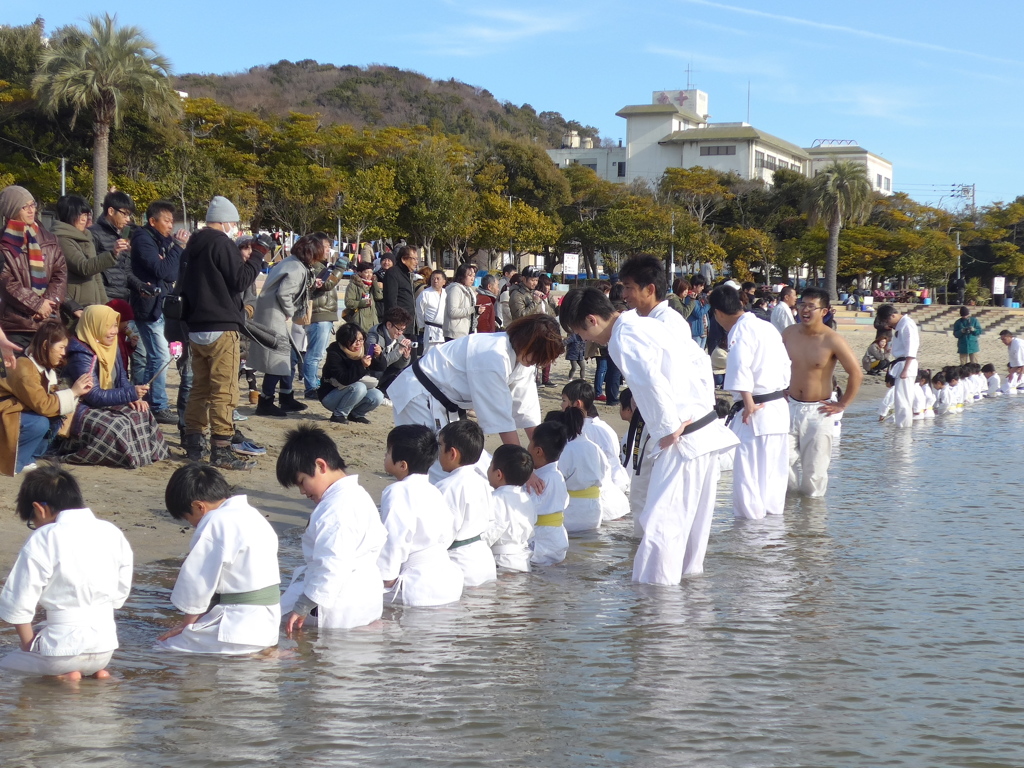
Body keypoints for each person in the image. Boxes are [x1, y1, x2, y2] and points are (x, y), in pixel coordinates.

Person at [559, 287, 737, 584]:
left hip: (682, 437)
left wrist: (669, 428)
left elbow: (651, 383)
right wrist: (701, 406)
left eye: (580, 332)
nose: (585, 340)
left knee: (662, 527)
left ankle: (657, 611)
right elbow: (699, 359)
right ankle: (687, 597)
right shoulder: (647, 322)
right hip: (703, 427)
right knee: (691, 527)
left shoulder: (623, 337)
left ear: (591, 320)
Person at [0, 466, 133, 680]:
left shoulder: (46, 536)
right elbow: (119, 595)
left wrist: (29, 647)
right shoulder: (112, 532)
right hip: (105, 646)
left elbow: (18, 602)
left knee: (7, 666)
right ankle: (97, 674)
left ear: (39, 509)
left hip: (61, 651)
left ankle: (64, 678)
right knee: (72, 652)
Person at [388, 314, 563, 454]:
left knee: (462, 463)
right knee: (433, 463)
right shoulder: (493, 354)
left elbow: (526, 411)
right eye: (538, 356)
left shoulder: (523, 358)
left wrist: (544, 456)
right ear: (528, 343)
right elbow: (501, 417)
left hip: (446, 402)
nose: (536, 362)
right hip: (419, 394)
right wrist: (521, 463)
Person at [180, 197, 267, 470]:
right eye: (234, 222)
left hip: (196, 327)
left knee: (199, 388)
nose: (234, 227)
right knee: (224, 391)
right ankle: (221, 449)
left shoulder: (192, 245)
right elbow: (241, 280)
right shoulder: (221, 243)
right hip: (221, 325)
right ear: (226, 220)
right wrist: (259, 254)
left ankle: (194, 442)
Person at [157, 463, 281, 654]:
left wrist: (187, 628)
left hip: (238, 630)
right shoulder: (253, 516)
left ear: (199, 506)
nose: (193, 526)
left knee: (163, 648)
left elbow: (197, 583)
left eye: (190, 520)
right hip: (269, 627)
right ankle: (265, 652)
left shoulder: (214, 521)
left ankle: (255, 652)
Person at [276, 424, 387, 633]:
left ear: (320, 466)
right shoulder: (357, 494)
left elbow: (332, 564)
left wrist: (303, 606)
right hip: (365, 600)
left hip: (339, 607)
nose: (302, 492)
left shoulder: (336, 509)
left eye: (302, 482)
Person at [709, 284, 791, 519]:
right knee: (774, 478)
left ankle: (750, 539)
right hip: (777, 407)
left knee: (749, 480)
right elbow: (786, 365)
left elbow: (740, 367)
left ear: (718, 313)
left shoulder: (740, 331)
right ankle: (772, 534)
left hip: (755, 410)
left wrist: (748, 402)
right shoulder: (767, 327)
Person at [62, 304, 169, 468]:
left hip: (106, 401)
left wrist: (133, 396)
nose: (113, 331)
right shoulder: (81, 354)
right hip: (81, 407)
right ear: (94, 325)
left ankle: (148, 456)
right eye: (108, 326)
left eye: (114, 325)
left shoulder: (111, 346)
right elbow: (93, 395)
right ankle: (128, 458)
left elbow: (121, 380)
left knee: (140, 412)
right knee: (118, 425)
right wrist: (129, 394)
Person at [781, 287, 863, 498]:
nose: (805, 310)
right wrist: (778, 389)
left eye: (811, 306)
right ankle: (786, 517)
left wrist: (842, 404)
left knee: (814, 472)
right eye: (802, 304)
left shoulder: (832, 339)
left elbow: (856, 373)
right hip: (789, 406)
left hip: (819, 409)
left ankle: (811, 525)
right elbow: (775, 364)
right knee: (780, 462)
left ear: (824, 311)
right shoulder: (789, 333)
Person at [378, 425, 464, 606]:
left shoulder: (397, 491)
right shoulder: (434, 490)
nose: (385, 456)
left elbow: (394, 538)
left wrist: (387, 578)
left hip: (419, 584)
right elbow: (448, 533)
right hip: (448, 580)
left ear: (402, 465)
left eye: (388, 452)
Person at [0, 320, 93, 475]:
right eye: (61, 347)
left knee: (56, 419)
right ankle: (13, 462)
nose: (64, 353)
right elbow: (42, 404)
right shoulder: (24, 367)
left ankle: (29, 457)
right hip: (4, 411)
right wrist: (73, 392)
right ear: (45, 346)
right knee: (40, 423)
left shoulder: (44, 369)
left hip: (17, 410)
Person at [251, 234, 318, 417]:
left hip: (269, 311)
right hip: (274, 314)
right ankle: (266, 401)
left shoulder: (290, 262)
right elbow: (284, 294)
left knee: (286, 357)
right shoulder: (297, 268)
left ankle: (285, 397)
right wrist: (290, 311)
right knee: (278, 358)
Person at [129, 200, 182, 425]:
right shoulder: (143, 239)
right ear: (153, 221)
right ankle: (157, 405)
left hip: (160, 306)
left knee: (158, 356)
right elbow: (161, 269)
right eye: (167, 221)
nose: (171, 226)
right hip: (148, 307)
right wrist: (178, 248)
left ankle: (148, 402)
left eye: (172, 221)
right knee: (159, 356)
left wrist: (170, 255)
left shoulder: (162, 241)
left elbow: (170, 273)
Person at [0, 185, 68, 349]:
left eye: (33, 205)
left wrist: (49, 303)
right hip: (17, 324)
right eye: (25, 207)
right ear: (11, 210)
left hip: (48, 321)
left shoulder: (49, 238)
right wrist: (36, 305)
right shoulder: (3, 243)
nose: (31, 210)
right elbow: (6, 283)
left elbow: (60, 273)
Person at [435, 420, 498, 587]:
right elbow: (492, 522)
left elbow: (442, 535)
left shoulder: (446, 487)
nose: (438, 452)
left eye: (440, 446)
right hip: (484, 561)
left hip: (461, 564)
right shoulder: (483, 482)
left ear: (452, 453)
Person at [561, 379, 631, 520]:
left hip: (601, 501)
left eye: (564, 400)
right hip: (617, 495)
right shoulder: (604, 426)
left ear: (577, 404)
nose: (561, 405)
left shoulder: (584, 430)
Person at [545, 409, 606, 534]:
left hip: (572, 512)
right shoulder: (594, 447)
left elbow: (557, 479)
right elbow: (604, 471)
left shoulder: (565, 450)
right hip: (595, 511)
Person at [52, 194, 119, 307]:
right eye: (79, 215)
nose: (84, 219)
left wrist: (106, 305)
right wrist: (112, 254)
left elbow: (96, 276)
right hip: (75, 306)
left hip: (93, 303)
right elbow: (84, 267)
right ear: (68, 215)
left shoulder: (87, 236)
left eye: (86, 214)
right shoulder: (61, 239)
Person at [303, 233, 345, 399]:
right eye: (326, 247)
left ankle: (312, 384)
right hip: (319, 315)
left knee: (315, 354)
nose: (329, 250)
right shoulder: (314, 266)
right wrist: (340, 268)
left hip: (323, 314)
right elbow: (327, 284)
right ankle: (311, 387)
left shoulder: (319, 265)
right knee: (314, 354)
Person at [482, 444, 535, 573]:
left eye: (490, 466)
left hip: (502, 562)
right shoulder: (527, 498)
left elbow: (491, 531)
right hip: (523, 560)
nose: (488, 469)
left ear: (498, 474)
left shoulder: (494, 499)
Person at [318, 323, 384, 424]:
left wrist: (378, 356)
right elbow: (344, 379)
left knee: (377, 395)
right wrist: (362, 366)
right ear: (344, 341)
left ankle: (356, 414)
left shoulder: (363, 349)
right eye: (353, 341)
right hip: (331, 395)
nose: (358, 344)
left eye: (361, 339)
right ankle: (339, 414)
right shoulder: (334, 352)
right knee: (359, 387)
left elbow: (380, 368)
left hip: (351, 394)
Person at [526, 420, 570, 565]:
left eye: (530, 443)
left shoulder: (540, 480)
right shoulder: (557, 475)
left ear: (538, 451)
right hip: (557, 539)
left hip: (542, 543)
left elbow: (526, 508)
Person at [89, 190, 138, 303]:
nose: (128, 219)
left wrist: (140, 286)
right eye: (124, 214)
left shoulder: (121, 234)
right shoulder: (93, 233)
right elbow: (89, 267)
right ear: (111, 211)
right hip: (103, 298)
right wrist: (113, 253)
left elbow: (126, 270)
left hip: (123, 296)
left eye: (129, 215)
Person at [875, 304, 919, 429]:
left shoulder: (907, 324)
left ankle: (904, 428)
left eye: (888, 320)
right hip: (901, 363)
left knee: (903, 400)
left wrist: (906, 369)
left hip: (906, 364)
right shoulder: (901, 325)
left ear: (893, 315)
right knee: (900, 399)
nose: (888, 324)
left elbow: (912, 347)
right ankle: (902, 426)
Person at [367, 306, 414, 395]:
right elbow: (378, 365)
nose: (400, 333)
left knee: (404, 372)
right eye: (399, 329)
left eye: (403, 330)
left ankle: (387, 393)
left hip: (385, 373)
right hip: (372, 373)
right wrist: (399, 351)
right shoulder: (374, 337)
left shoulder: (400, 338)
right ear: (389, 325)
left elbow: (398, 365)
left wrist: (405, 357)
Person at [444, 262, 479, 340]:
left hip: (468, 331)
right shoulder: (455, 289)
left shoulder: (469, 290)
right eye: (469, 276)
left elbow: (470, 312)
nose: (472, 279)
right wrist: (473, 309)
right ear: (461, 276)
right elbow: (452, 312)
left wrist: (477, 312)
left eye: (474, 276)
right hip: (455, 333)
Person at [344, 261, 380, 334]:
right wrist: (363, 303)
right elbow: (348, 302)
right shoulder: (353, 285)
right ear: (360, 273)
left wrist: (375, 283)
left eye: (371, 272)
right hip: (360, 319)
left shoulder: (372, 284)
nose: (369, 275)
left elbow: (379, 296)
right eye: (366, 272)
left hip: (372, 319)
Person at [383, 245, 418, 318]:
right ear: (404, 259)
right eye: (414, 259)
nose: (416, 262)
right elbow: (391, 301)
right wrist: (396, 321)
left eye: (417, 259)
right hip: (399, 323)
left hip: (410, 320)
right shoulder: (393, 273)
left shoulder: (408, 274)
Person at [416, 269, 447, 352]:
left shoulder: (447, 293)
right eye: (433, 278)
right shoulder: (425, 293)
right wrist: (422, 326)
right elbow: (419, 311)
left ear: (444, 282)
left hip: (444, 330)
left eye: (438, 279)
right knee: (429, 355)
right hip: (431, 329)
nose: (435, 281)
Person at [682, 274, 711, 349]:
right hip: (696, 332)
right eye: (701, 286)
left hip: (703, 331)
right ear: (695, 286)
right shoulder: (690, 298)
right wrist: (708, 304)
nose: (703, 288)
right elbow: (698, 313)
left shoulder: (700, 297)